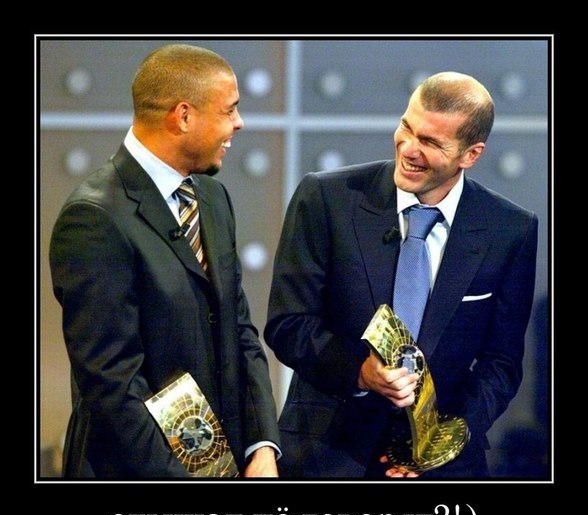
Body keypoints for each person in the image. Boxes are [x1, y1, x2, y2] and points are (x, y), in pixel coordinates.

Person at [265, 72, 538, 479]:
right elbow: (288, 324)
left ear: (471, 154)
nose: (409, 149)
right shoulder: (326, 198)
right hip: (326, 452)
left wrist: (439, 443)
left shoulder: (509, 229)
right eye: (406, 128)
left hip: (441, 467)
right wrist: (360, 372)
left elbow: (500, 363)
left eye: (430, 142)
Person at [50, 44, 280, 479]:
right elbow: (112, 383)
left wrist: (262, 445)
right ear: (184, 116)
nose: (239, 123)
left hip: (228, 465)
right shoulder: (94, 217)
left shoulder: (211, 196)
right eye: (229, 110)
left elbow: (239, 329)